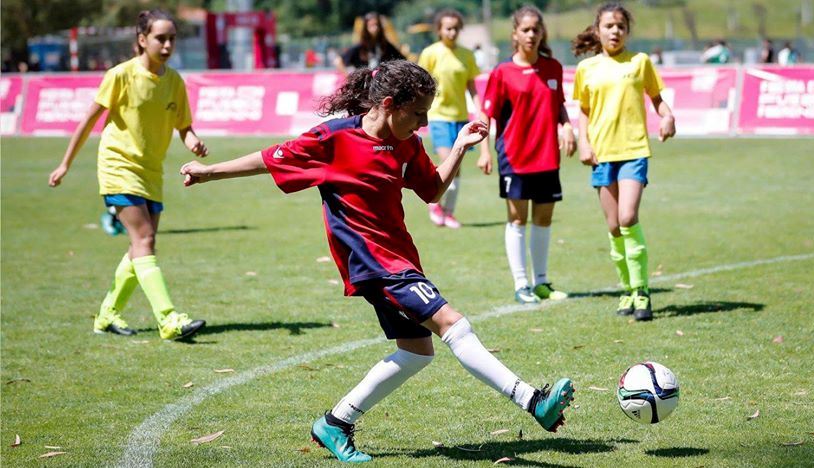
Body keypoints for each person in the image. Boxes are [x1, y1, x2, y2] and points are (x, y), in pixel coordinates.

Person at [180, 60, 575, 463]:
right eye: (417, 113)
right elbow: (270, 159)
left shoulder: (407, 143)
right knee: (453, 324)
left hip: (399, 257)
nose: (422, 123)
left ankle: (335, 423)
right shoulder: (334, 139)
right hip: (373, 262)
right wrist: (209, 172)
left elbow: (432, 190)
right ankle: (533, 401)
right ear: (389, 103)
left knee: (416, 352)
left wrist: (458, 147)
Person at [48, 9, 208, 340]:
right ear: (142, 40)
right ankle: (168, 320)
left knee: (141, 247)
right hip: (118, 166)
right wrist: (65, 164)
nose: (167, 45)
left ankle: (107, 315)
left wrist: (193, 143)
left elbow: (184, 127)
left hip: (151, 172)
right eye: (160, 38)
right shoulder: (120, 75)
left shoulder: (175, 82)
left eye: (172, 39)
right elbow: (89, 121)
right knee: (145, 240)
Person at [572, 2, 675, 321]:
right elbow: (584, 112)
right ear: (598, 30)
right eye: (608, 26)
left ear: (627, 31)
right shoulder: (586, 69)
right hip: (602, 155)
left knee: (629, 217)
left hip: (633, 150)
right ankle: (627, 290)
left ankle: (642, 291)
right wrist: (584, 142)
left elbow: (657, 99)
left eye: (620, 26)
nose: (614, 31)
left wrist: (667, 116)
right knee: (614, 226)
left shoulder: (640, 62)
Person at [477, 6, 576, 304]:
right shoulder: (503, 73)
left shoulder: (553, 68)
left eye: (536, 29)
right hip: (515, 157)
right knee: (518, 220)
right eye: (526, 29)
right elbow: (487, 113)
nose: (531, 34)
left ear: (542, 32)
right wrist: (484, 151)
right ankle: (522, 284)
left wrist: (567, 127)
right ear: (515, 34)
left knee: (544, 219)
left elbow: (558, 105)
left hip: (547, 156)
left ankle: (542, 282)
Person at [418, 9, 481, 229]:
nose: (452, 32)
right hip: (438, 117)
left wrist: (479, 111)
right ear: (439, 30)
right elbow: (421, 84)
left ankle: (449, 212)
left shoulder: (467, 55)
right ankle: (434, 205)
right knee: (447, 161)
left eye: (455, 28)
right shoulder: (430, 53)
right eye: (448, 28)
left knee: (458, 169)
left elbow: (472, 88)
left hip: (461, 118)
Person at [335, 12, 404, 74]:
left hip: (380, 85)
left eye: (377, 25)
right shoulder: (359, 47)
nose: (375, 28)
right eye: (371, 25)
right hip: (364, 85)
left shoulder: (385, 45)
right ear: (366, 28)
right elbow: (338, 61)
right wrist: (349, 77)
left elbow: (402, 60)